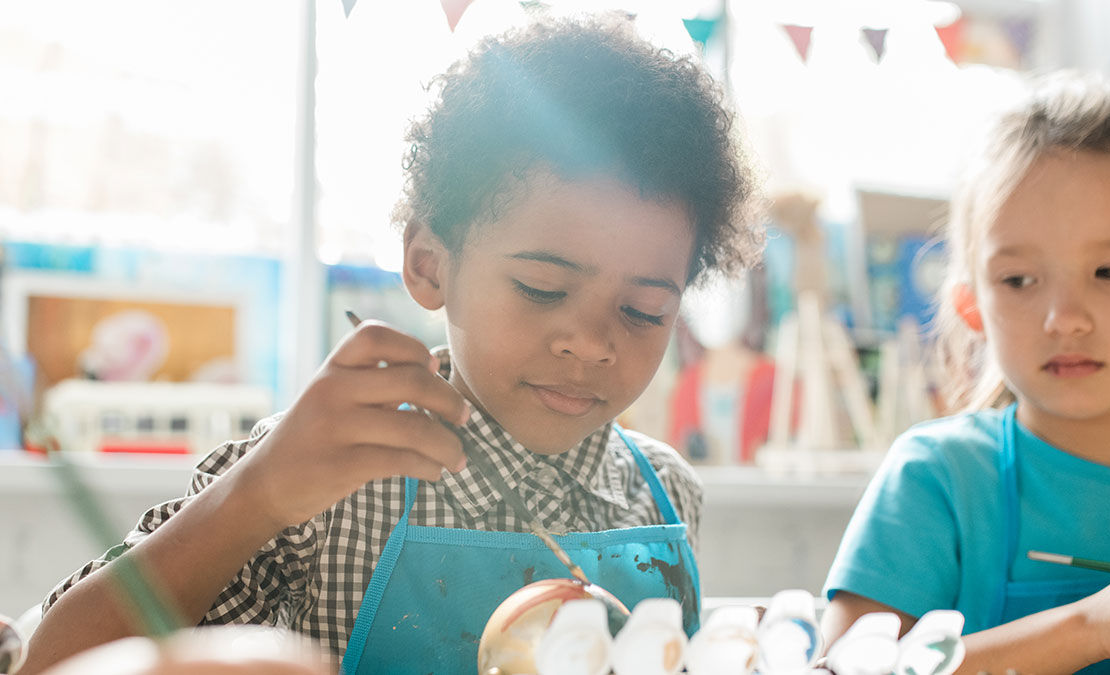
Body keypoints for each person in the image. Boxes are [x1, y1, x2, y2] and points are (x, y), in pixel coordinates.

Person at [25, 12, 761, 674]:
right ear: (428, 264)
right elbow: (48, 663)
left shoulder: (666, 491)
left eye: (642, 309)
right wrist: (256, 496)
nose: (591, 343)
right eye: (541, 288)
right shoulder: (321, 472)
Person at [821, 71, 1110, 673]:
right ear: (973, 305)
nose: (1065, 319)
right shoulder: (938, 480)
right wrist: (1095, 624)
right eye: (1019, 280)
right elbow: (847, 669)